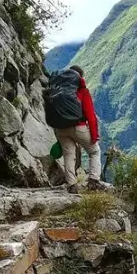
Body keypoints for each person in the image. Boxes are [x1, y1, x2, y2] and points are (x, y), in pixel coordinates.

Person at [53, 65, 106, 194]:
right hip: (79, 127)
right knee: (94, 151)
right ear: (80, 77)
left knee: (68, 155)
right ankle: (93, 180)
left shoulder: (58, 90)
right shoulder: (82, 91)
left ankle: (71, 185)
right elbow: (90, 115)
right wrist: (94, 135)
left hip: (60, 129)